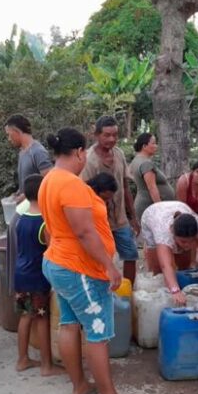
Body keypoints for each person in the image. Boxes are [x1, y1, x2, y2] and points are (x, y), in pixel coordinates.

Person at [39, 127, 144, 394]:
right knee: (98, 333)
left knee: (70, 324)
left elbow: (51, 228)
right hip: (80, 268)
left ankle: (80, 386)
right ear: (79, 153)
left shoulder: (50, 180)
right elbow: (85, 232)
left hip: (60, 262)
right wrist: (110, 267)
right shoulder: (70, 184)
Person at [80, 116, 140, 283]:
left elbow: (125, 187)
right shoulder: (88, 160)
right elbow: (85, 193)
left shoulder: (119, 154)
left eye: (115, 135)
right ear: (97, 135)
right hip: (98, 221)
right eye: (107, 135)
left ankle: (129, 291)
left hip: (120, 219)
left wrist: (133, 217)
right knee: (100, 258)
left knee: (130, 254)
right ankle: (103, 291)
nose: (111, 139)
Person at [13, 174, 54, 376]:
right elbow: (52, 252)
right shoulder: (44, 223)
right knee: (42, 319)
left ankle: (22, 359)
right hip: (38, 279)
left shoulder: (21, 219)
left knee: (25, 315)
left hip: (21, 274)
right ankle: (47, 365)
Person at [140, 201, 198, 306]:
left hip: (177, 209)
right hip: (152, 215)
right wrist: (175, 290)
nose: (187, 245)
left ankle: (179, 287)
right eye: (183, 241)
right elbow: (166, 265)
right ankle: (165, 293)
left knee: (184, 266)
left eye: (191, 241)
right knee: (158, 270)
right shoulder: (162, 233)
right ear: (173, 233)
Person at [4, 114, 53, 204]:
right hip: (26, 207)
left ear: (17, 131)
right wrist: (17, 194)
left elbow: (48, 182)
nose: (9, 139)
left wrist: (26, 196)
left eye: (9, 135)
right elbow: (26, 183)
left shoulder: (38, 152)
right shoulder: (22, 152)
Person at [128, 132, 175, 221]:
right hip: (150, 207)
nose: (156, 146)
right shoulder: (146, 164)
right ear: (144, 146)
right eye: (153, 143)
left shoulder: (137, 160)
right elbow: (152, 188)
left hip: (145, 204)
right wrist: (160, 209)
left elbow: (128, 173)